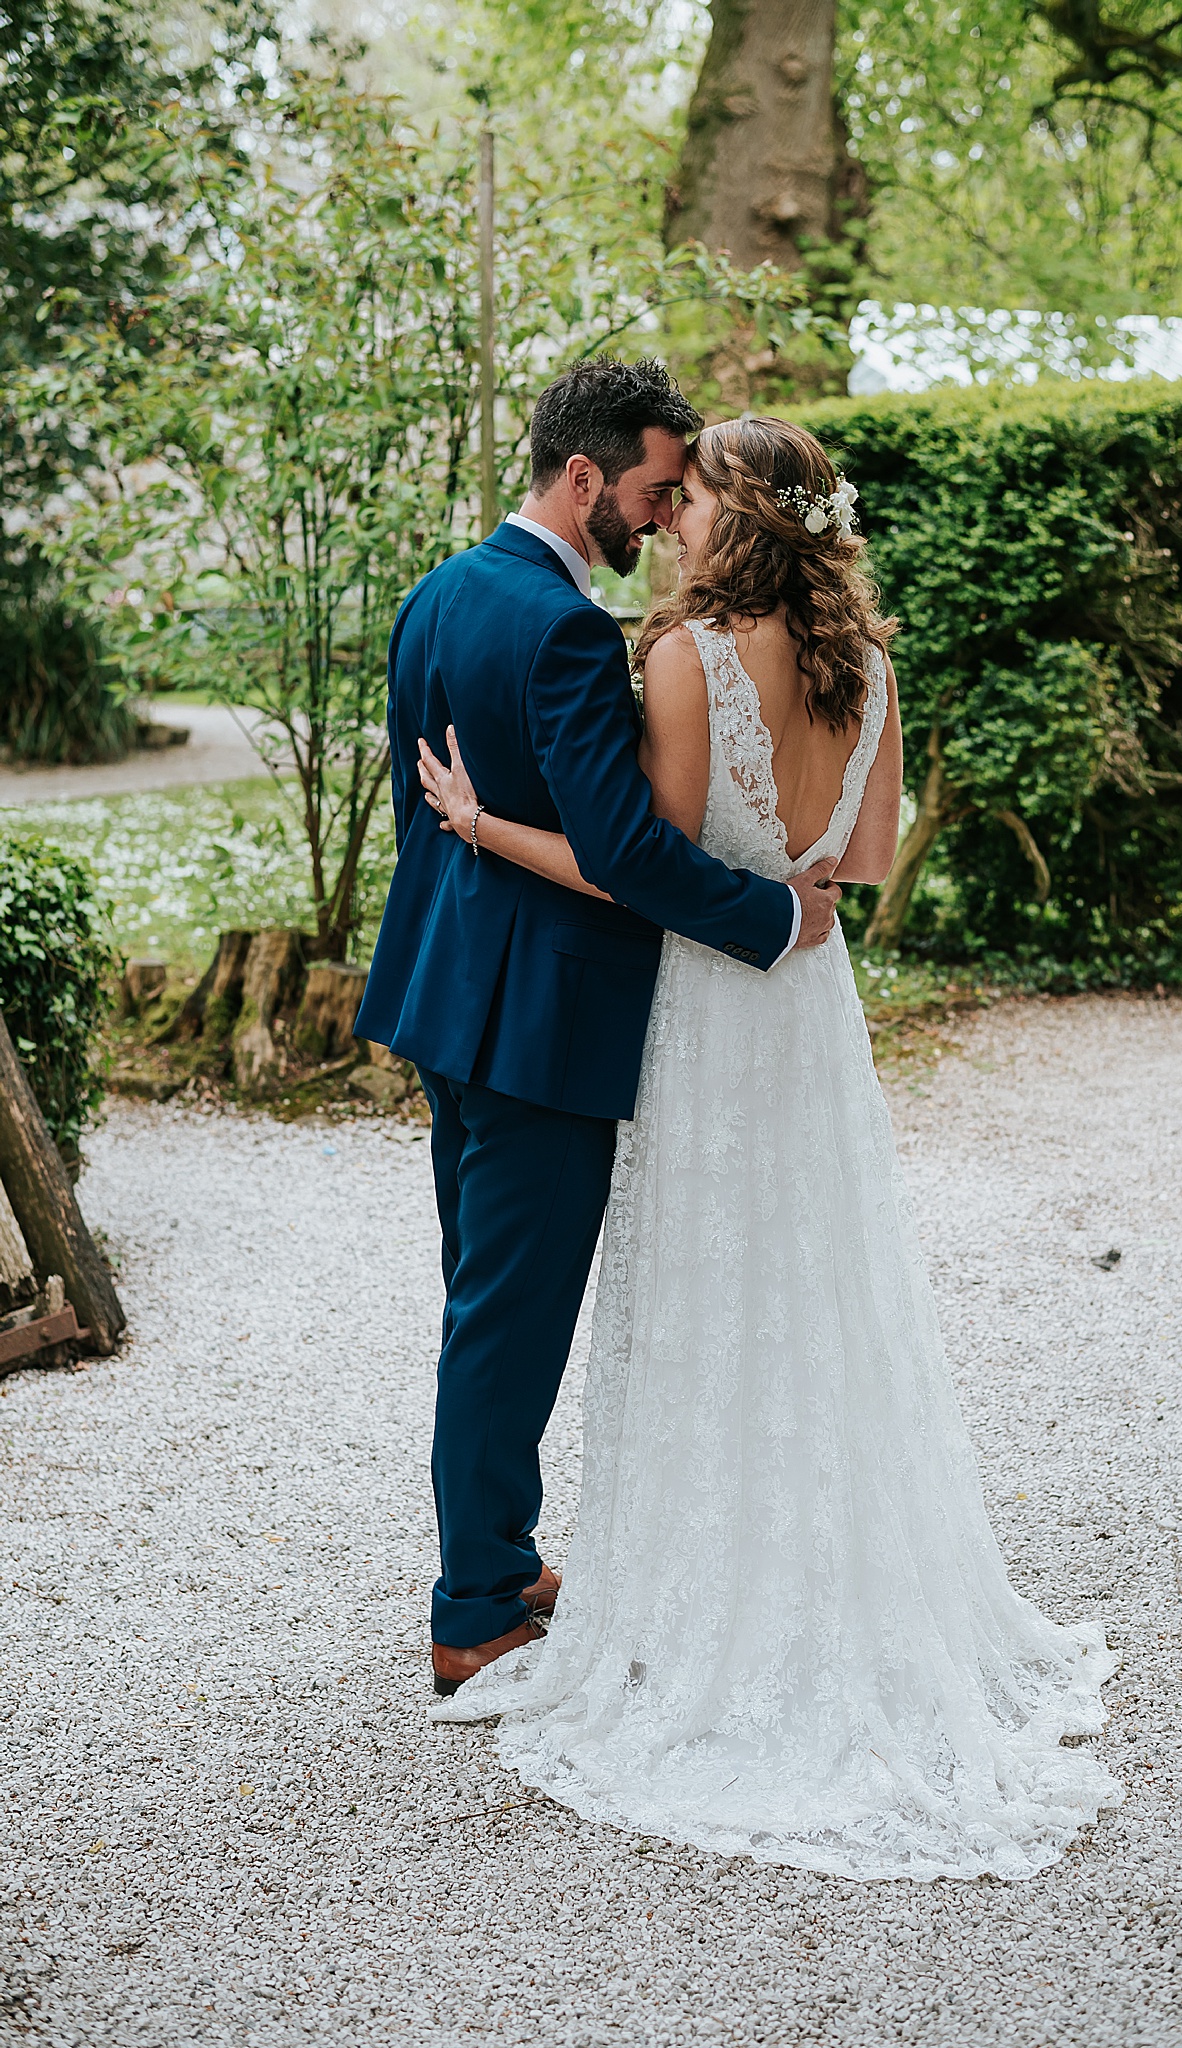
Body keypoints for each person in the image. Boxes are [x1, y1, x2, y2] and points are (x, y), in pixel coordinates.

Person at [419, 414, 1124, 1883]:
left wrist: (484, 824)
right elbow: (856, 871)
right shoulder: (871, 662)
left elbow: (638, 869)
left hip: (709, 1016)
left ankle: (697, 1596)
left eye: (691, 505)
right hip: (811, 1013)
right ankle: (828, 1576)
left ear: (738, 521)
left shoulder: (680, 660)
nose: (670, 521)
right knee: (825, 1287)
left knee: (702, 1301)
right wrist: (792, 886)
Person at [353, 361, 842, 1700]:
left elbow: (424, 808)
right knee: (509, 1316)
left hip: (451, 1000)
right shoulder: (568, 631)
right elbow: (627, 848)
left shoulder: (441, 594)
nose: (656, 514)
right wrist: (769, 916)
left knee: (484, 1296)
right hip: (541, 1022)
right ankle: (475, 1613)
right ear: (584, 480)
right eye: (648, 489)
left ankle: (502, 1556)